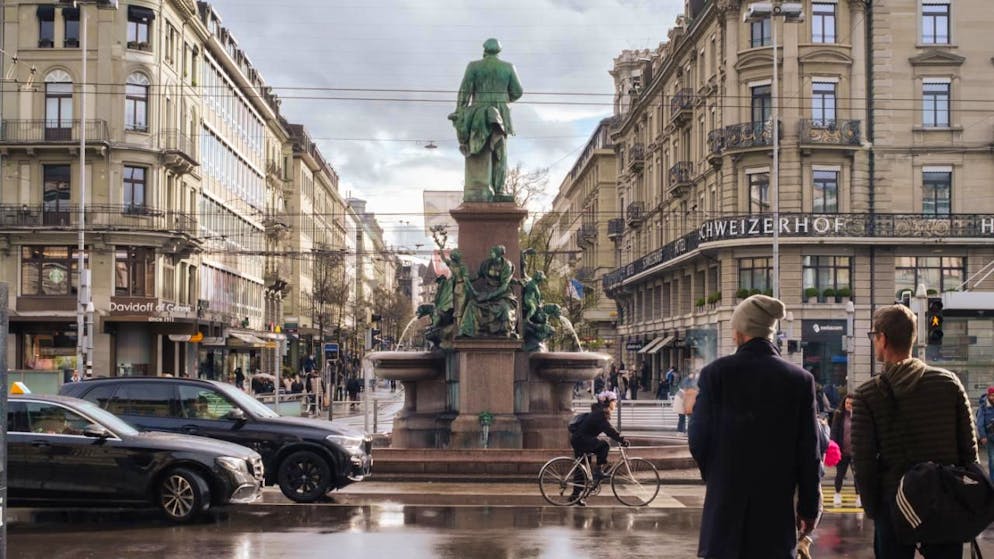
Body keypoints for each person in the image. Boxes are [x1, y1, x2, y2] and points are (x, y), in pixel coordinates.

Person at [689, 294, 821, 559]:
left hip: (724, 511)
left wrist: (718, 474)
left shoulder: (716, 374)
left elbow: (698, 438)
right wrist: (808, 508)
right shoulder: (800, 380)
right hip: (774, 514)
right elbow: (809, 452)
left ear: (741, 331)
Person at [852, 304, 979, 559]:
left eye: (873, 336)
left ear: (883, 339)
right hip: (943, 501)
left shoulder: (867, 395)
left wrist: (873, 508)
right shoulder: (948, 382)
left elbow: (864, 462)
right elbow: (969, 451)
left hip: (894, 503)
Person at [448, 38, 523, 202]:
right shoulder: (508, 67)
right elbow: (517, 92)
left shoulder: (474, 66)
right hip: (500, 112)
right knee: (500, 152)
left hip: (477, 112)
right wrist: (502, 98)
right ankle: (499, 190)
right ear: (499, 51)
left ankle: (480, 189)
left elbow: (464, 92)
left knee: (479, 150)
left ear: (485, 50)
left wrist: (460, 111)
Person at [569, 390, 629, 506]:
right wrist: (622, 440)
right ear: (607, 402)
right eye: (614, 401)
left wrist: (619, 439)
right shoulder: (600, 414)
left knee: (582, 470)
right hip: (581, 440)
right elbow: (609, 430)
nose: (615, 403)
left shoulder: (599, 412)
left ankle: (575, 497)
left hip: (579, 439)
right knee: (604, 444)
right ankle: (598, 471)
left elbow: (608, 429)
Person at [830, 395, 860, 508]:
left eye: (852, 403)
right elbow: (834, 431)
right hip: (842, 451)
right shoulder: (839, 415)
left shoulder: (859, 416)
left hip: (855, 452)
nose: (849, 405)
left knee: (857, 476)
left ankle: (859, 497)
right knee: (840, 475)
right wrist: (833, 446)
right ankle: (837, 494)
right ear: (844, 403)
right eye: (847, 403)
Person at [976, 387, 994, 483]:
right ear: (988, 395)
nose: (993, 397)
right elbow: (980, 423)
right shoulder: (983, 407)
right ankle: (992, 481)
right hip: (989, 436)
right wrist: (982, 436)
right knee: (992, 459)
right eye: (992, 395)